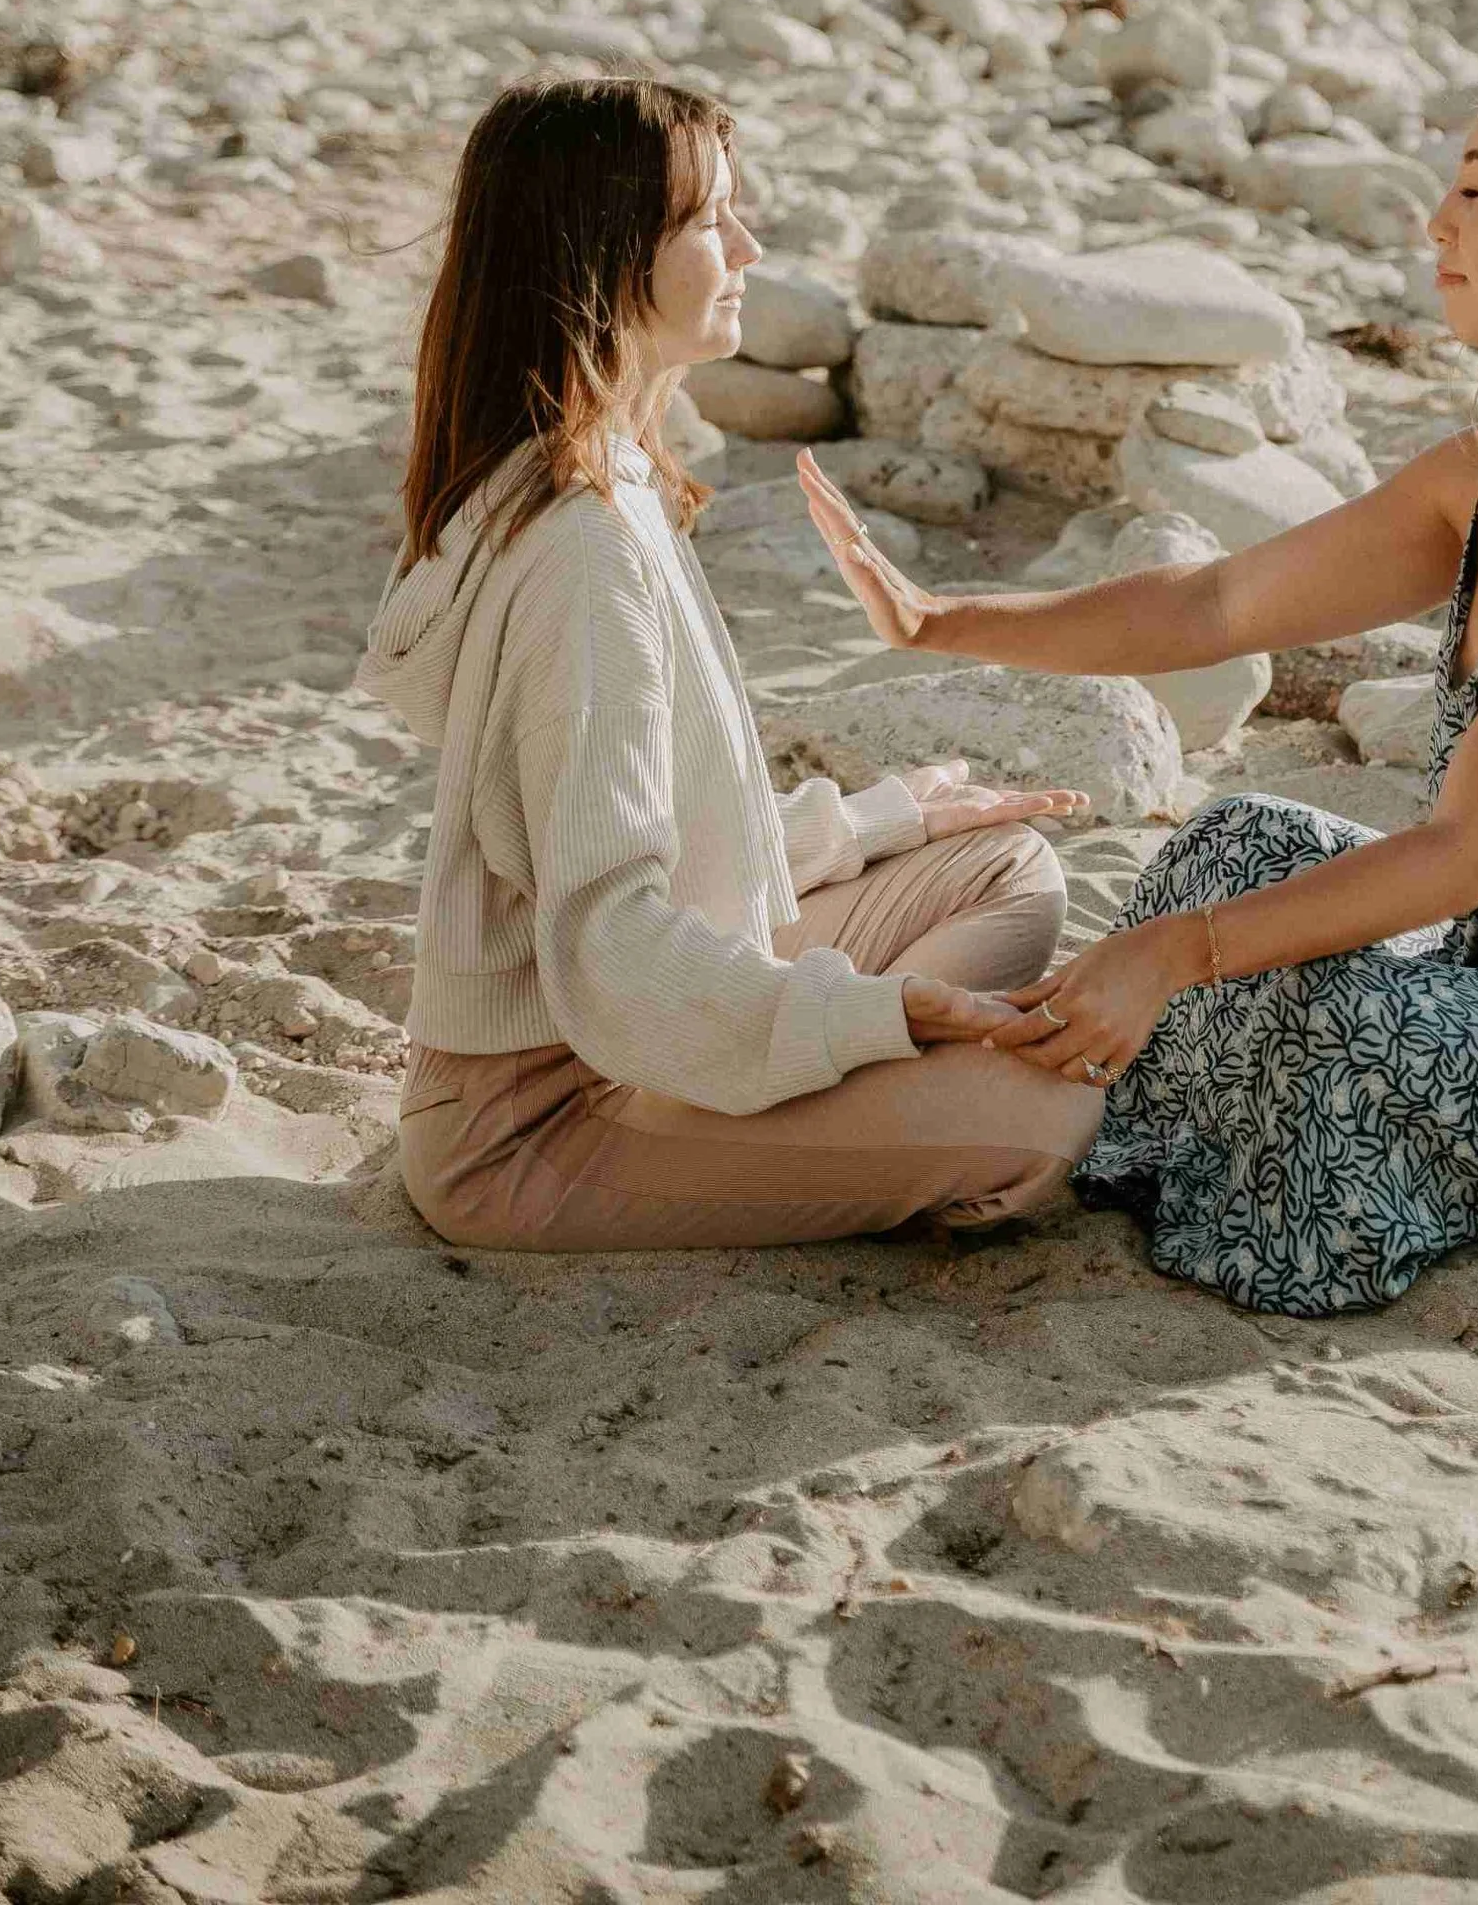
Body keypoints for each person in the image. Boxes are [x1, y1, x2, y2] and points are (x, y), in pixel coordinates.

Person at [800, 43, 1478, 1317]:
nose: (1438, 220)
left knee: (1344, 1015)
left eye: (1477, 191)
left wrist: (1172, 959)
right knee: (1234, 847)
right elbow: (1215, 602)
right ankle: (1081, 1125)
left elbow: (1460, 851)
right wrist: (941, 620)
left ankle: (1099, 1139)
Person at [361, 73, 1105, 1252]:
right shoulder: (581, 552)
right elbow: (608, 940)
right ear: (605, 258)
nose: (749, 247)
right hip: (537, 1122)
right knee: (1046, 1119)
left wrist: (871, 824)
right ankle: (832, 1121)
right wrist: (878, 1013)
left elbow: (630, 832)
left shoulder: (600, 476)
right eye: (710, 221)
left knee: (1001, 863)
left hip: (626, 1032)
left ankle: (825, 1102)